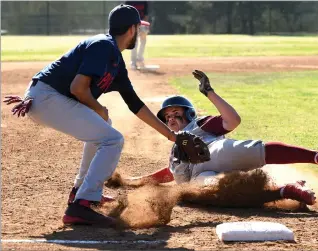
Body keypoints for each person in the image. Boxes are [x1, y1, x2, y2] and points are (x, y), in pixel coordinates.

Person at [2, 5, 204, 228]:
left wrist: (172, 137)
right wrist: (97, 107)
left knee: (104, 127)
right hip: (46, 98)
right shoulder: (102, 46)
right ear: (132, 29)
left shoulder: (115, 60)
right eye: (139, 28)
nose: (139, 33)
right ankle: (81, 205)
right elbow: (78, 87)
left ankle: (82, 192)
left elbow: (135, 104)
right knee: (112, 139)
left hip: (51, 99)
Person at [121, 70, 318, 206]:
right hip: (198, 178)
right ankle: (286, 190)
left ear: (188, 113)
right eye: (167, 116)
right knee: (217, 193)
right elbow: (168, 174)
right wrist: (134, 180)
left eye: (175, 113)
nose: (170, 117)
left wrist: (209, 92)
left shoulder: (199, 125)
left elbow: (233, 121)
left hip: (213, 153)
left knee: (239, 149)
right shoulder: (175, 152)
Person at [125, 1, 150, 70]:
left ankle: (139, 57)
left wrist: (146, 25)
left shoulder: (144, 1)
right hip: (133, 23)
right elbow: (126, 14)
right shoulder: (129, 1)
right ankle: (133, 62)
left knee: (143, 40)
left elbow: (146, 14)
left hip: (142, 23)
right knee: (134, 42)